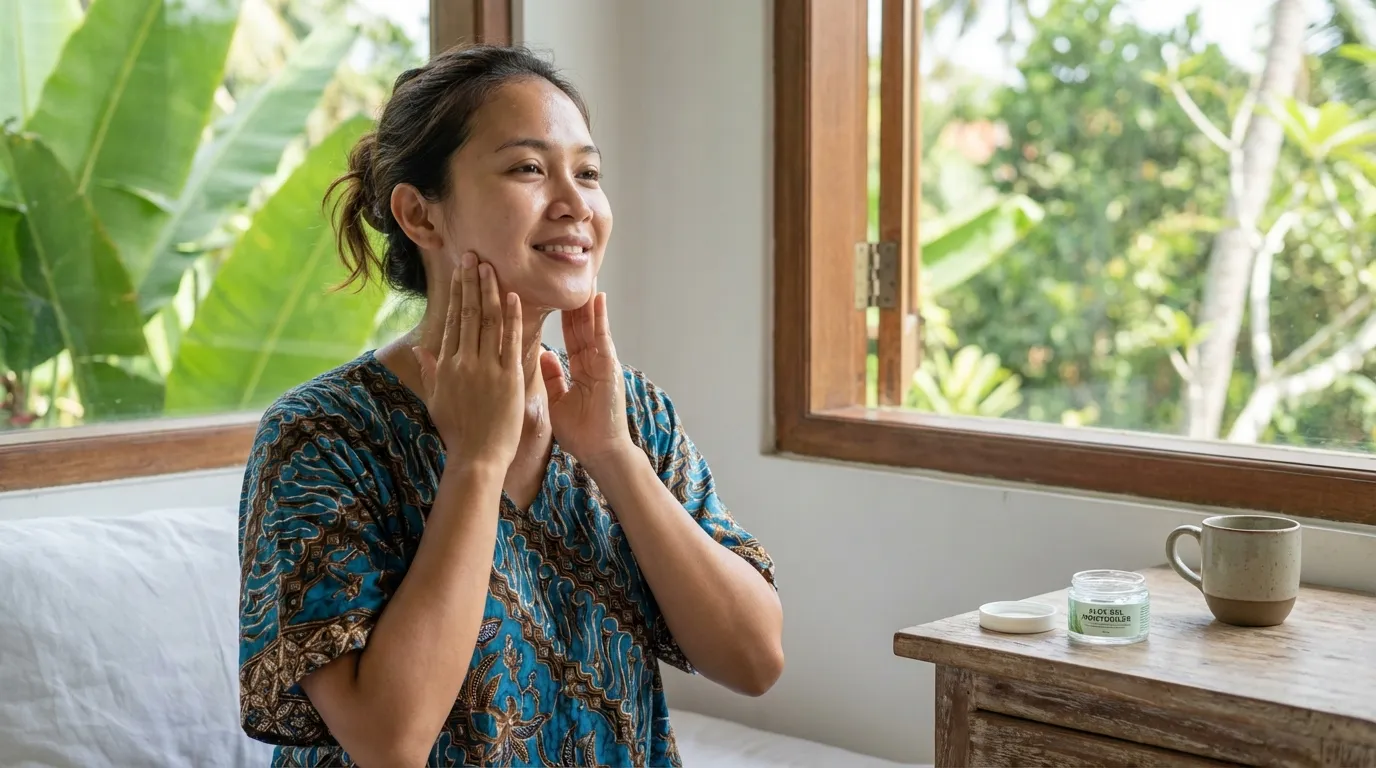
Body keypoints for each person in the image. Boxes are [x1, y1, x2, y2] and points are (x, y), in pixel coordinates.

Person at [236, 43, 783, 767]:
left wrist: (614, 455)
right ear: (420, 216)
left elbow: (755, 661)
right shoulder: (322, 437)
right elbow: (388, 743)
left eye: (587, 172)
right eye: (530, 168)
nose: (576, 204)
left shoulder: (632, 413)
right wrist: (476, 460)